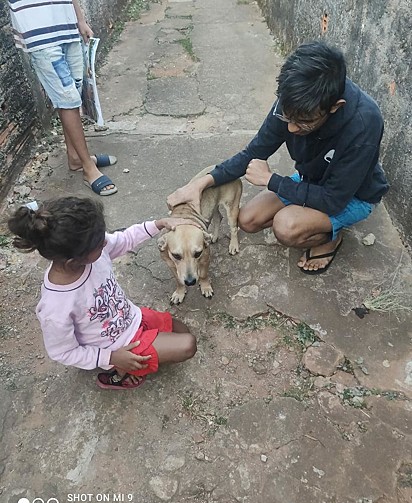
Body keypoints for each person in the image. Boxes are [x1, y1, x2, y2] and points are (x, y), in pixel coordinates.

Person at [167, 41, 389, 274]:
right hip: (309, 180)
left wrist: (272, 180)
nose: (291, 129)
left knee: (286, 226)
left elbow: (333, 200)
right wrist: (201, 184)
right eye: (287, 118)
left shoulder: (364, 124)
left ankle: (330, 238)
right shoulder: (294, 101)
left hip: (351, 196)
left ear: (334, 107)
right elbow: (253, 153)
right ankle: (311, 217)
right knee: (248, 220)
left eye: (303, 122)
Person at [8, 197, 197, 390]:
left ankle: (134, 358)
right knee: (188, 345)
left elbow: (125, 239)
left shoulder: (89, 252)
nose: (106, 242)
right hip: (117, 347)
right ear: (74, 261)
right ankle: (120, 371)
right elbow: (62, 352)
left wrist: (159, 224)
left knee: (182, 330)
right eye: (100, 243)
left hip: (131, 317)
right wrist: (113, 357)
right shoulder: (56, 307)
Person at [8, 0, 117, 196]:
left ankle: (75, 158)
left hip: (68, 28)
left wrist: (80, 20)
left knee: (72, 96)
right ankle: (88, 168)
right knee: (67, 100)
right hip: (40, 35)